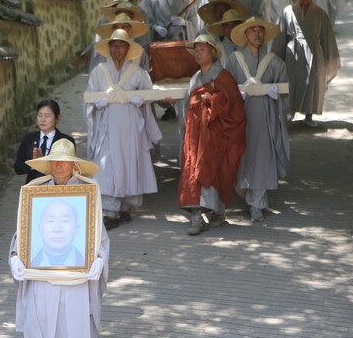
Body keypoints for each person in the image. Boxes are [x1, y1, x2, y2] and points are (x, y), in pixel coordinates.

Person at [9, 139, 109, 338]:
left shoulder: (88, 190)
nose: (58, 166)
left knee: (71, 312)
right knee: (42, 306)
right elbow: (23, 230)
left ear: (74, 164)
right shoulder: (36, 189)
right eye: (54, 161)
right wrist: (14, 256)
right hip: (43, 262)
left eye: (63, 161)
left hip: (75, 265)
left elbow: (99, 233)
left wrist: (99, 258)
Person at [85, 28, 161, 229]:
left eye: (120, 45)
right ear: (108, 48)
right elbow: (88, 97)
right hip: (107, 123)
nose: (116, 49)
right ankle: (110, 211)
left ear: (128, 49)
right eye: (113, 45)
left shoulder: (138, 73)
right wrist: (95, 105)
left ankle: (127, 206)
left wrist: (141, 102)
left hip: (130, 127)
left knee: (130, 162)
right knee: (107, 165)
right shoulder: (98, 71)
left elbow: (149, 96)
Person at [177, 34, 247, 235]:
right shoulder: (195, 78)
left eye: (203, 49)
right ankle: (197, 217)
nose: (199, 54)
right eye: (196, 50)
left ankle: (217, 212)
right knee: (194, 172)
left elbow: (234, 106)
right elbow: (186, 105)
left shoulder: (224, 77)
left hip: (216, 135)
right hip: (195, 135)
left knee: (215, 169)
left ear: (213, 52)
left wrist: (212, 100)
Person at [223, 17, 290, 222]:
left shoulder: (274, 61)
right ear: (245, 35)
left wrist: (275, 93)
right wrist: (236, 95)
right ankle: (244, 193)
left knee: (261, 158)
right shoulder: (234, 60)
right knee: (241, 156)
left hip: (265, 117)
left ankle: (257, 205)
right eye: (252, 30)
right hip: (241, 117)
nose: (257, 34)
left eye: (260, 30)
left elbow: (285, 90)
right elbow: (224, 88)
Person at [275, 0, 341, 127]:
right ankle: (289, 111)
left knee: (312, 83)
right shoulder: (287, 12)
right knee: (291, 81)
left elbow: (327, 38)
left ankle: (309, 114)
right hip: (293, 52)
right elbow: (280, 36)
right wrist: (276, 56)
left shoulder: (320, 13)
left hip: (314, 52)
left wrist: (328, 58)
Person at [13, 99, 77, 182]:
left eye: (47, 116)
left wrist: (44, 163)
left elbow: (69, 169)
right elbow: (18, 168)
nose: (42, 119)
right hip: (33, 188)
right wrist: (35, 164)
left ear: (57, 118)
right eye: (40, 115)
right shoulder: (29, 139)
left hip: (56, 188)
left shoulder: (66, 141)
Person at [31, 199, 84, 267]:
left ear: (76, 229)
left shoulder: (87, 265)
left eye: (65, 221)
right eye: (50, 221)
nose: (57, 229)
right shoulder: (29, 264)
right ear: (40, 229)